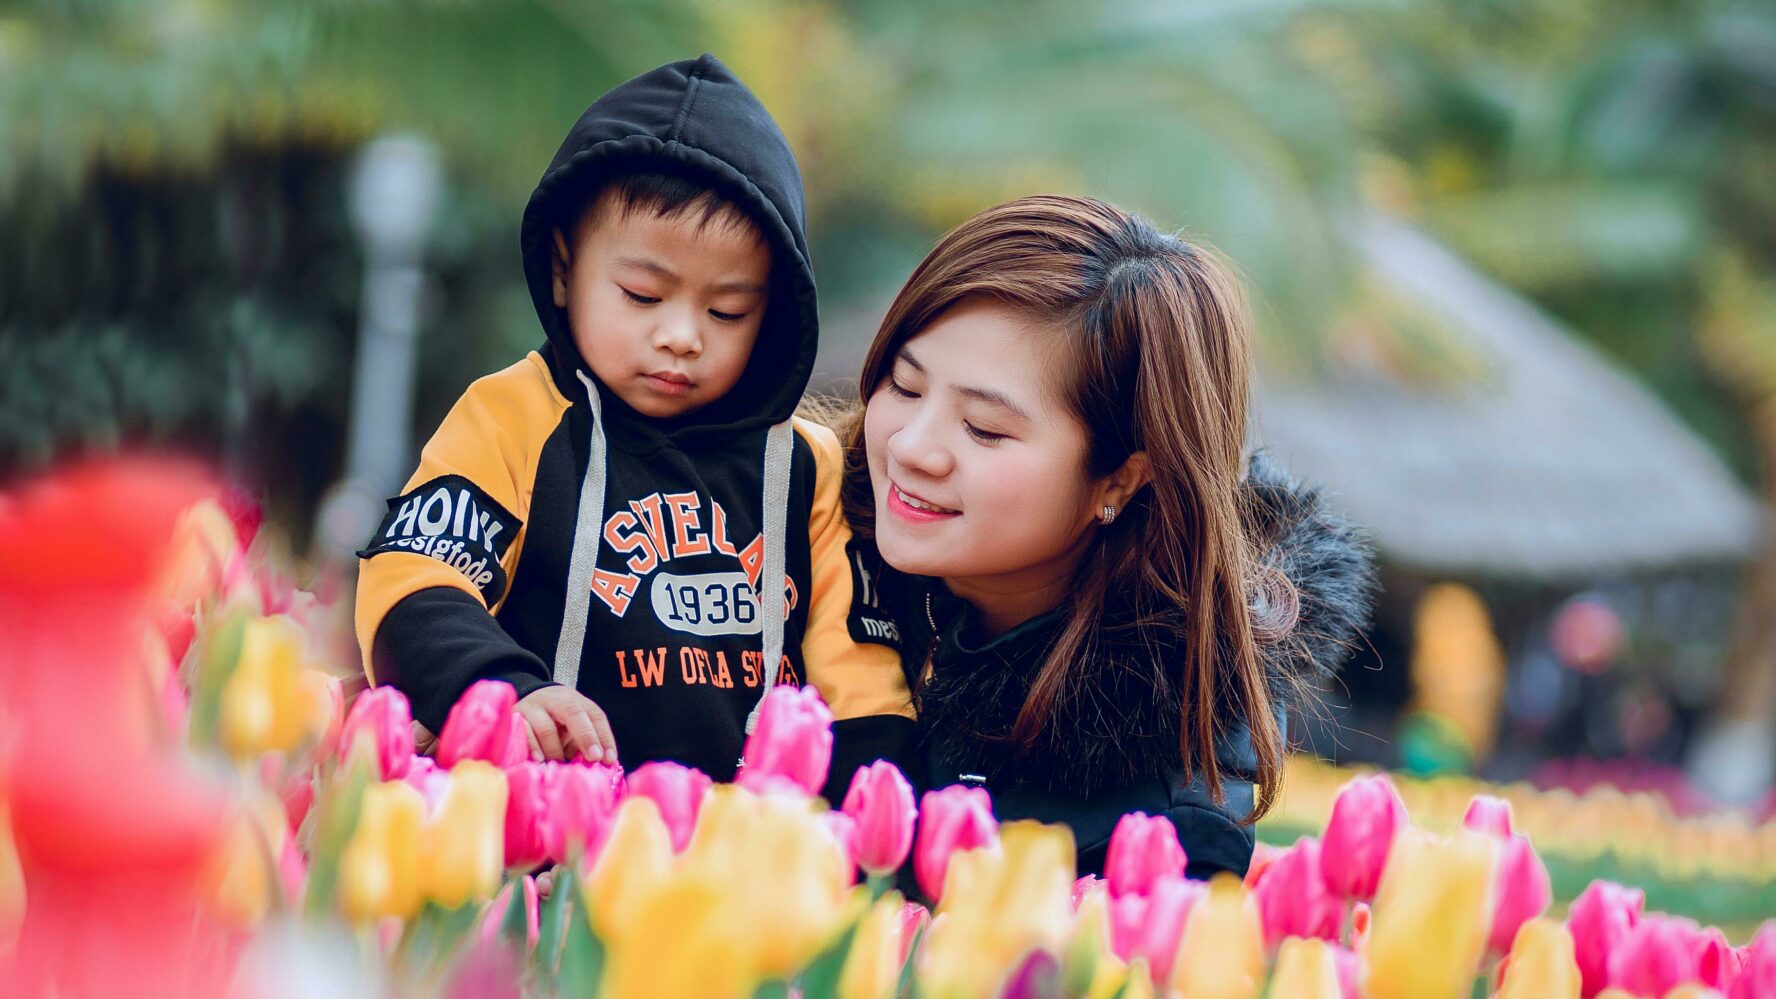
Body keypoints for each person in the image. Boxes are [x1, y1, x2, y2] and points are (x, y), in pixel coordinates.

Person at [354, 55, 912, 791]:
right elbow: (413, 581)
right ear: (563, 270)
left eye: (727, 311)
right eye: (643, 295)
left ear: (773, 312)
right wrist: (503, 690)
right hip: (551, 838)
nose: (683, 335)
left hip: (739, 864)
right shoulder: (512, 417)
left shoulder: (809, 468)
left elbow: (865, 689)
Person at [839, 195, 1376, 879]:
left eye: (984, 428)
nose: (913, 447)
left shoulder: (1160, 826)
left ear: (1119, 480)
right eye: (905, 385)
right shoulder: (800, 555)